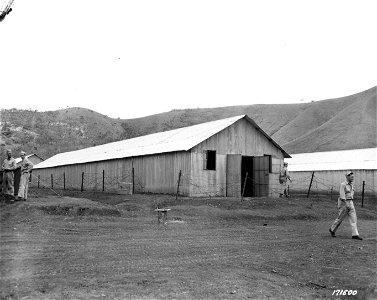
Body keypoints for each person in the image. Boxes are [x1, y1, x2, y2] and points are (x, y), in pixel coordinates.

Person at [329, 171, 362, 240]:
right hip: (344, 203)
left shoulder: (351, 185)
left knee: (354, 219)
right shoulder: (343, 184)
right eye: (351, 177)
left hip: (350, 202)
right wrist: (346, 204)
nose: (353, 178)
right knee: (340, 218)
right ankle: (332, 229)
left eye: (353, 177)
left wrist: (350, 203)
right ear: (347, 177)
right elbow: (342, 195)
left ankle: (355, 234)